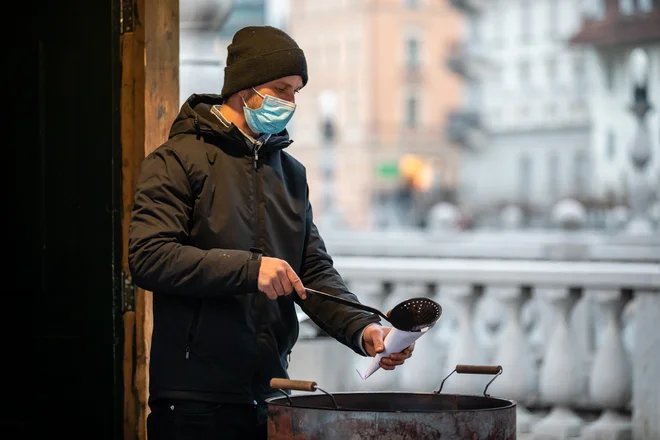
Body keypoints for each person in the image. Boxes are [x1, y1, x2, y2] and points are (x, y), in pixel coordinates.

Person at [128, 25, 415, 440]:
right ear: (244, 88)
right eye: (280, 88)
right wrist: (250, 270)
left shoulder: (291, 173)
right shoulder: (176, 160)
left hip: (272, 393)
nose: (290, 101)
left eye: (296, 91)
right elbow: (149, 258)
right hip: (193, 397)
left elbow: (313, 272)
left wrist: (365, 330)